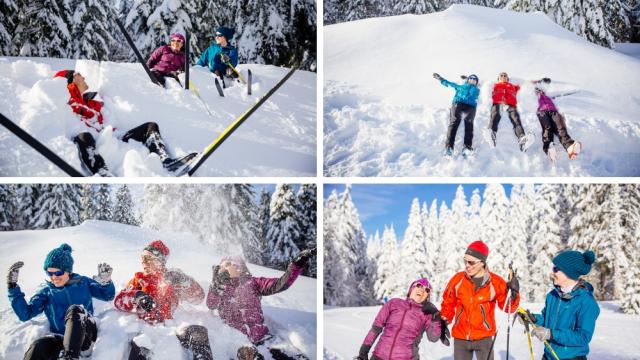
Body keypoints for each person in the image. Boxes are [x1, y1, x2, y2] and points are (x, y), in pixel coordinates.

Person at [6, 243, 115, 360]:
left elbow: (107, 295)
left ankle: (70, 357)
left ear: (68, 271)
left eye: (58, 273)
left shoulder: (83, 282)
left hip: (86, 334)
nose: (54, 277)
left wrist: (106, 282)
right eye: (50, 273)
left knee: (75, 310)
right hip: (60, 338)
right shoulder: (46, 292)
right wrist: (12, 287)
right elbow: (25, 314)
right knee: (38, 346)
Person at [207, 248, 316, 360]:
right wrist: (216, 287)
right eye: (226, 264)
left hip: (264, 339)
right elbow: (211, 304)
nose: (230, 266)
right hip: (240, 344)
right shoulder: (219, 288)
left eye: (234, 263)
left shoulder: (252, 283)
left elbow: (281, 284)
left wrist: (296, 264)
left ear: (240, 267)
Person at [114, 240, 211, 360]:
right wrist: (137, 296)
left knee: (198, 332)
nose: (143, 261)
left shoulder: (173, 278)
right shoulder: (139, 279)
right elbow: (119, 301)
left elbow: (198, 298)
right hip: (149, 329)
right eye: (142, 257)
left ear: (160, 261)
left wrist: (185, 280)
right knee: (141, 343)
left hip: (174, 329)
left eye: (148, 258)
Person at [440, 240, 520, 360]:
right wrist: (444, 320)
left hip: (484, 338)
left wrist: (514, 294)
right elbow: (448, 303)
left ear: (482, 262)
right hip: (461, 338)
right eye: (465, 261)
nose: (467, 265)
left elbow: (508, 308)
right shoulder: (458, 279)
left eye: (471, 262)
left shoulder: (495, 282)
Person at [518, 250, 599, 360]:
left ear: (569, 272)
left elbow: (583, 337)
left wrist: (551, 334)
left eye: (556, 269)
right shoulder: (552, 296)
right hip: (548, 356)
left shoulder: (586, 302)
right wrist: (533, 319)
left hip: (571, 357)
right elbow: (547, 321)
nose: (552, 273)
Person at [356, 278, 443, 360]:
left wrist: (436, 319)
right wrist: (364, 350)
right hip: (379, 356)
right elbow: (376, 328)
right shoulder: (394, 303)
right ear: (411, 289)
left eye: (427, 290)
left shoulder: (426, 314)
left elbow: (433, 338)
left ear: (427, 297)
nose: (422, 290)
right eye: (419, 286)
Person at [533, 78, 581, 162]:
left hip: (553, 111)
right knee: (547, 128)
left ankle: (569, 147)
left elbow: (549, 82)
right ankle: (549, 148)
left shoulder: (548, 95)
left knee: (560, 127)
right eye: (537, 88)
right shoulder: (533, 96)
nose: (539, 90)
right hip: (541, 112)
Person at [433, 73, 480, 156]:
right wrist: (440, 79)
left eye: (474, 80)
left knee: (469, 124)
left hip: (471, 107)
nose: (472, 80)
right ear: (468, 80)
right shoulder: (461, 86)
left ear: (476, 82)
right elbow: (450, 83)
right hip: (458, 103)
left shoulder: (477, 89)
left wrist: (467, 78)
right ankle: (449, 148)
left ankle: (467, 148)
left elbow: (485, 84)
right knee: (454, 122)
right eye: (471, 79)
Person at [488, 72, 531, 151]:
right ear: (498, 78)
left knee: (516, 119)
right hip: (498, 102)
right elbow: (481, 85)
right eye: (501, 75)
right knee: (495, 115)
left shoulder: (512, 86)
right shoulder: (495, 85)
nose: (503, 76)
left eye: (505, 76)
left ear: (507, 78)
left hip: (510, 104)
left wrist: (541, 82)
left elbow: (525, 83)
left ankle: (522, 139)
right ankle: (491, 134)